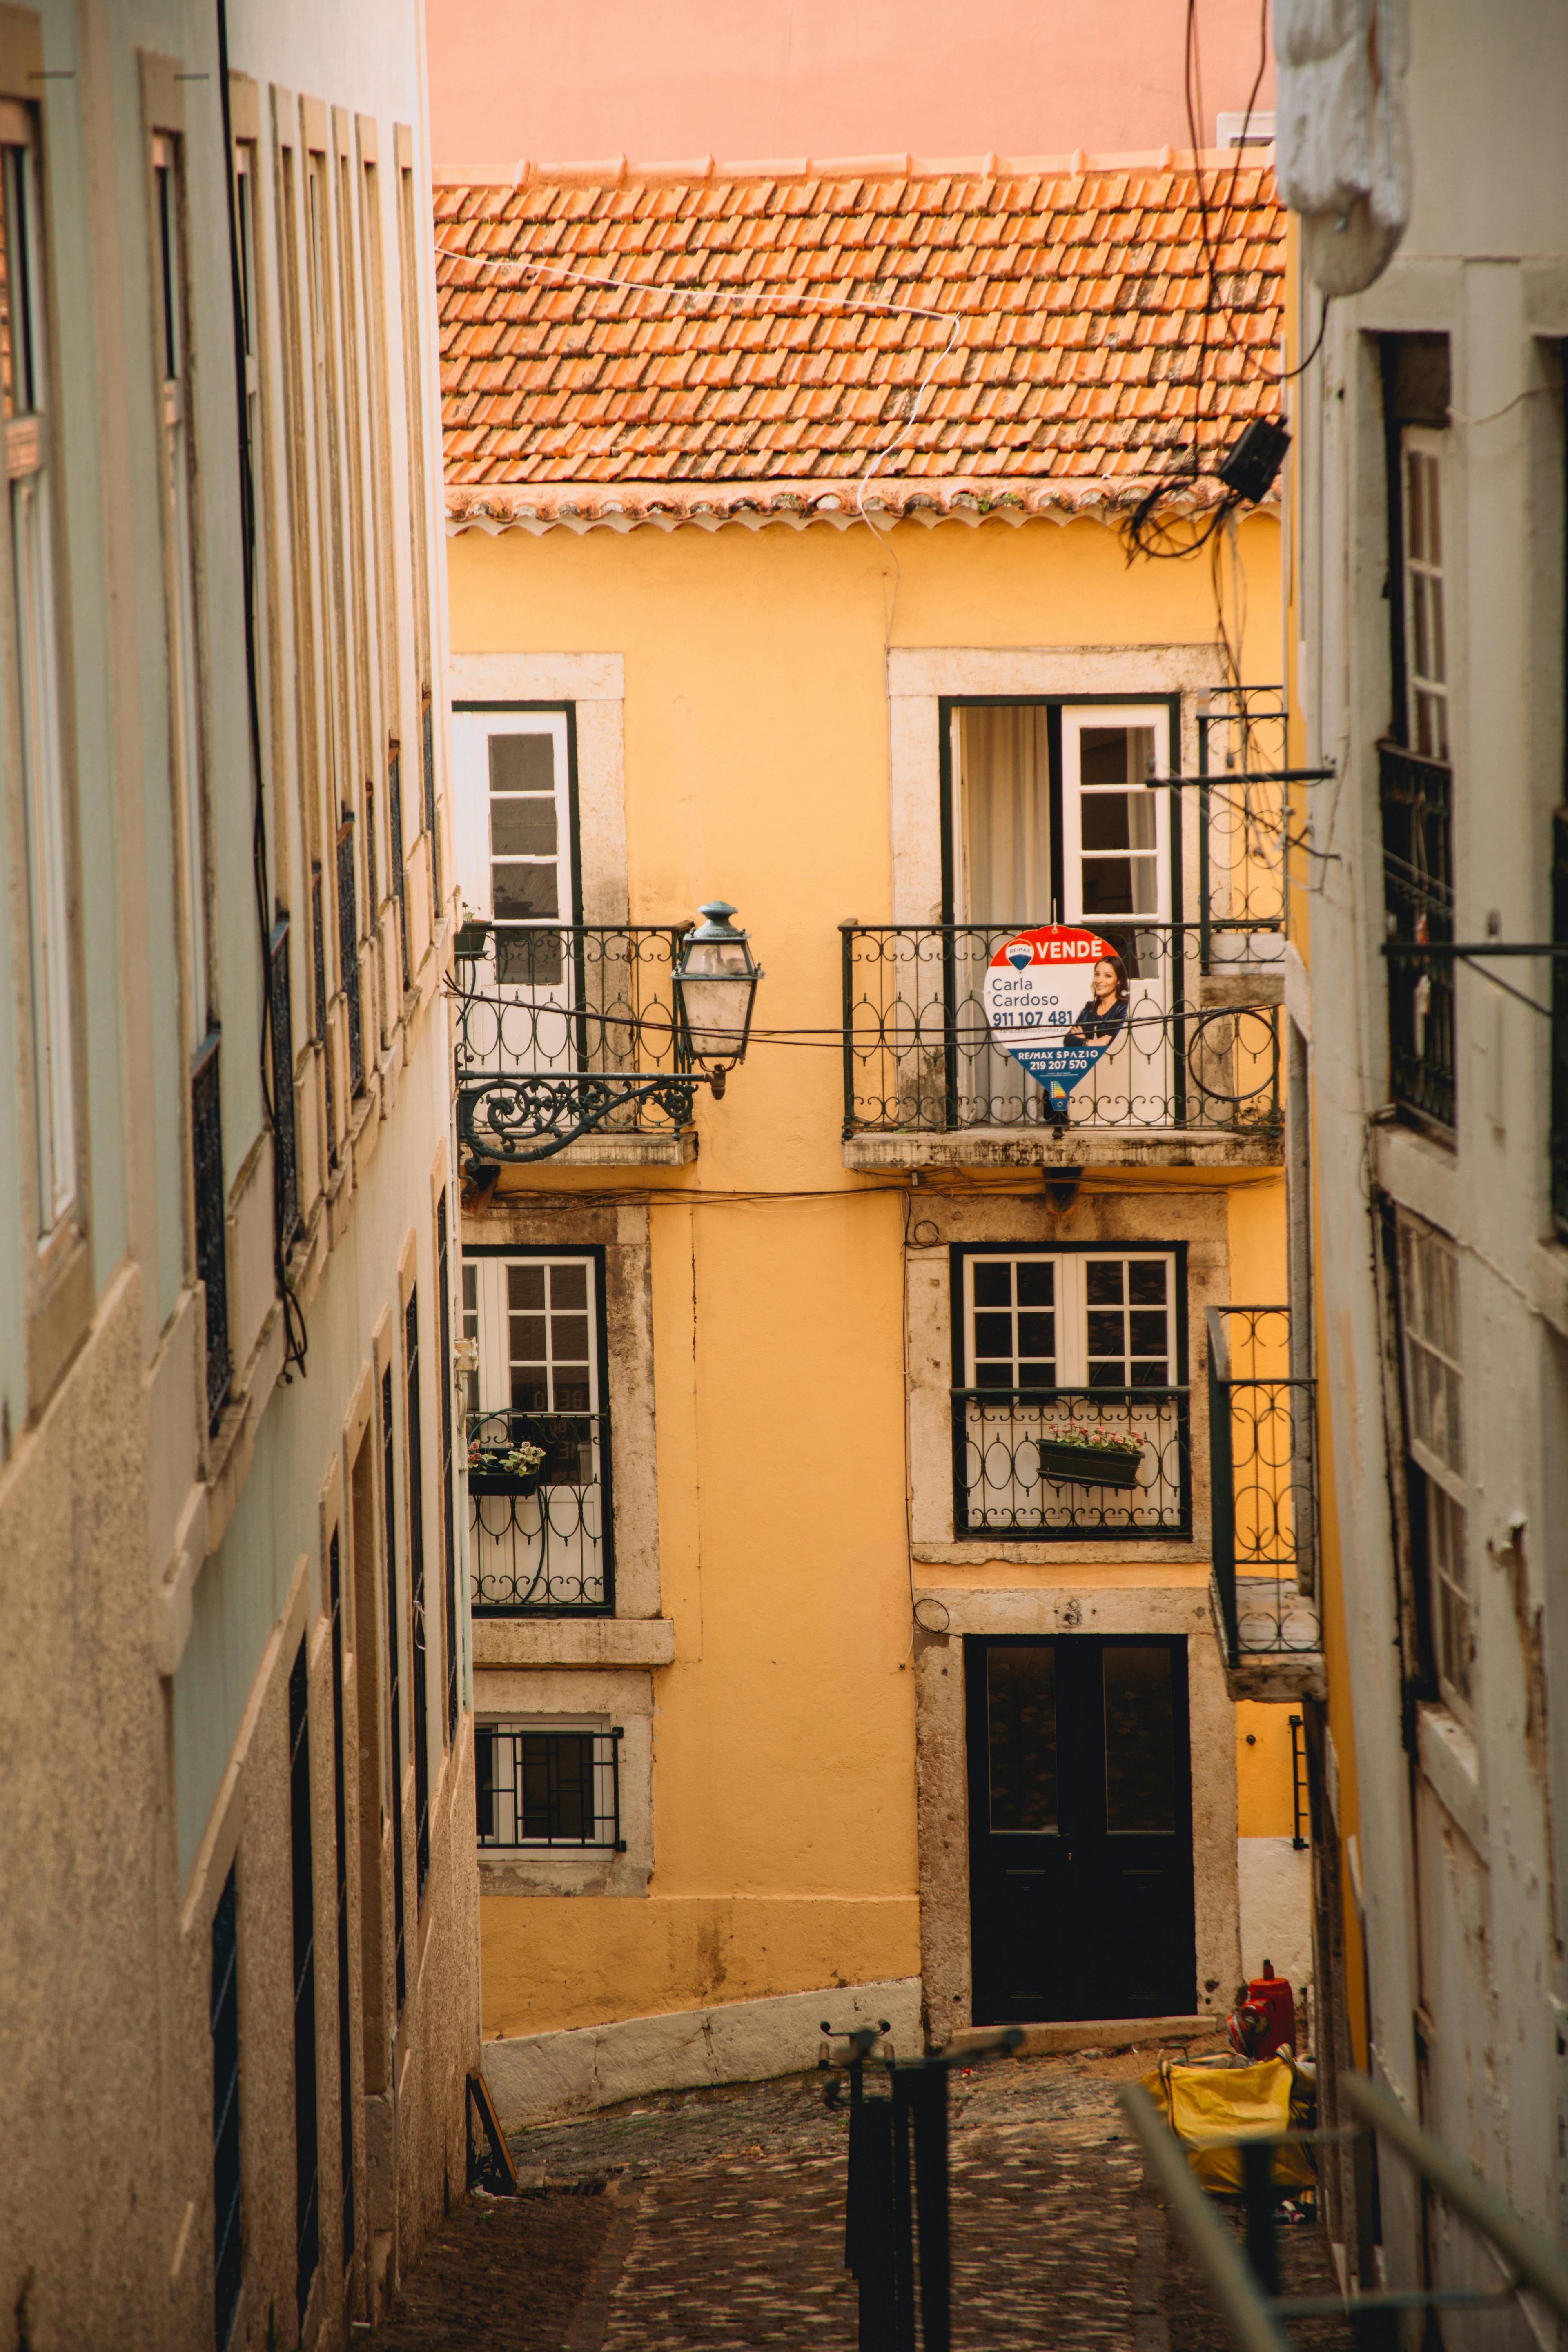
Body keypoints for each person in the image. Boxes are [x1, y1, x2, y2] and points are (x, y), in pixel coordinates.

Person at [1048, 953, 1129, 1126]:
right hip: (1082, 1065)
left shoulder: (1123, 1007)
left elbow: (1110, 1043)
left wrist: (1084, 1039)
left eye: (1108, 976)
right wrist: (1090, 1042)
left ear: (1119, 981)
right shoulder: (1089, 1007)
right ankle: (1060, 1126)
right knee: (1053, 1080)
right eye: (1097, 974)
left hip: (1111, 1070)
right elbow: (1069, 1041)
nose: (1100, 980)